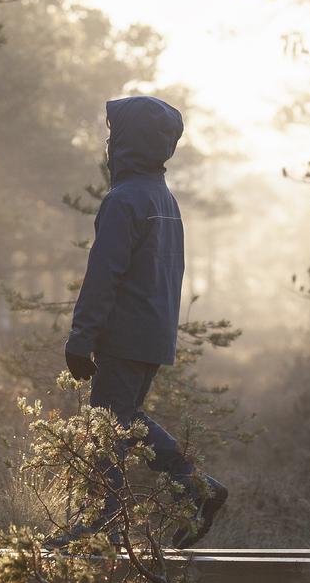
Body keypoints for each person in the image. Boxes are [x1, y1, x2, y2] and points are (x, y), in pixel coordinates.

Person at [59, 96, 229, 546]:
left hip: (125, 335)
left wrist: (81, 337)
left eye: (115, 135)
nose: (109, 142)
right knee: (122, 421)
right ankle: (194, 490)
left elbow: (104, 275)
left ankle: (104, 522)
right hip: (151, 335)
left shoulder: (124, 199)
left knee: (105, 426)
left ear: (129, 142)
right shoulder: (161, 198)